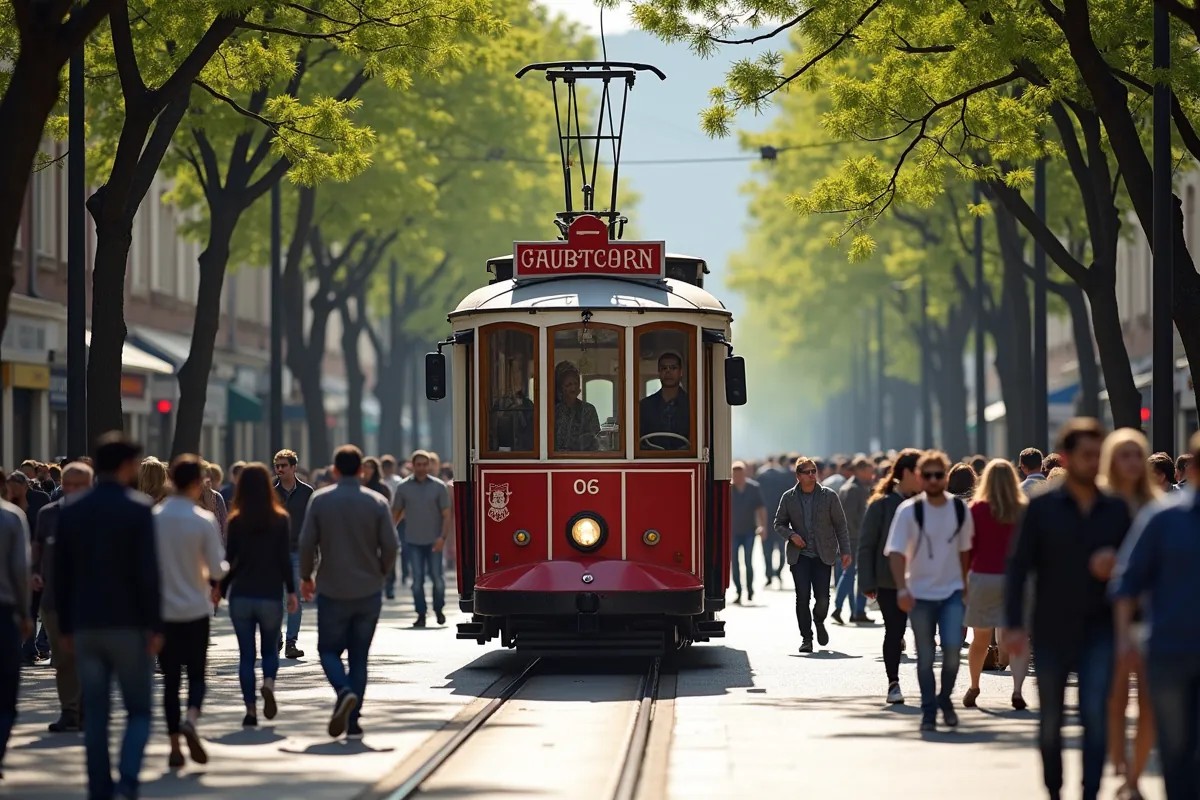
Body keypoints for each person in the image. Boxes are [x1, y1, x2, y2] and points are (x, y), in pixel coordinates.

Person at [1004, 418, 1132, 800]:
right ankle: (1055, 790)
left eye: (1099, 455)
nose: (1094, 462)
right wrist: (1012, 624)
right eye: (1087, 455)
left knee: (1095, 715)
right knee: (1051, 721)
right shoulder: (1042, 508)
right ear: (1068, 457)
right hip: (1051, 629)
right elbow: (1018, 566)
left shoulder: (1115, 509)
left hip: (1101, 628)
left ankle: (1090, 791)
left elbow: (1137, 568)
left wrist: (1118, 566)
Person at [56, 433, 162, 800]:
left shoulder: (71, 511)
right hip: (129, 625)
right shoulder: (138, 510)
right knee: (138, 711)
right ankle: (128, 780)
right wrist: (155, 625)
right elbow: (149, 573)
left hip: (86, 624)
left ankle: (99, 788)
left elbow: (61, 574)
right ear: (126, 466)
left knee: (96, 714)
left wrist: (65, 626)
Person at [1110, 430, 1200, 800]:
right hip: (1169, 649)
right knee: (1177, 746)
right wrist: (1123, 640)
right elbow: (1127, 582)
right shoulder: (1162, 518)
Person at [299, 445, 399, 739]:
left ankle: (343, 692)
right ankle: (353, 721)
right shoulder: (378, 502)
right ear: (361, 470)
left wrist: (306, 576)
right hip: (368, 590)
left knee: (328, 650)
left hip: (331, 588)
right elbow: (392, 546)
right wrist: (381, 572)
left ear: (334, 471)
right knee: (359, 656)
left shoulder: (320, 501)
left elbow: (306, 544)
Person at [884, 450, 974, 731]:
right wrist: (901, 588)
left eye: (939, 474)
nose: (934, 480)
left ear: (946, 477)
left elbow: (965, 551)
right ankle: (928, 709)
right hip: (920, 594)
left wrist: (966, 587)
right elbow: (896, 553)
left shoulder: (960, 510)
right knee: (925, 657)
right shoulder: (908, 511)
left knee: (951, 652)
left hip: (951, 593)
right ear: (920, 477)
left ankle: (945, 699)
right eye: (928, 475)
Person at [153, 455, 228, 769]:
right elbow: (217, 568)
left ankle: (173, 746)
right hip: (196, 609)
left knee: (170, 680)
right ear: (197, 483)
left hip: (164, 610)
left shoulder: (154, 518)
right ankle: (192, 720)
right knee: (196, 675)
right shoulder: (203, 521)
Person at [1099, 429, 1159, 800]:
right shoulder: (1098, 505)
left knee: (1149, 701)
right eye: (1125, 455)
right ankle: (1119, 760)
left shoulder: (1156, 507)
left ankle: (1134, 777)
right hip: (1103, 615)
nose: (1133, 463)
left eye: (1138, 455)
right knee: (1114, 698)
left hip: (1150, 615)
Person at [221, 463, 298, 728]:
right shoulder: (280, 519)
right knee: (268, 651)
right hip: (269, 593)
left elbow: (229, 560)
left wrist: (218, 589)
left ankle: (250, 710)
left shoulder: (236, 520)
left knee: (246, 655)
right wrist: (291, 591)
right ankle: (268, 684)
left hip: (241, 594)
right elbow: (284, 561)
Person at [962, 459, 1029, 711]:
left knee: (979, 639)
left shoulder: (976, 508)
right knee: (1018, 636)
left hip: (983, 576)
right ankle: (1017, 690)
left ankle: (974, 685)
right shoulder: (1023, 509)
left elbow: (968, 548)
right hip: (1015, 579)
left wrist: (964, 580)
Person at [32, 462, 92, 733]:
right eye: (70, 484)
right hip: (55, 601)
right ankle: (70, 710)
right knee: (64, 660)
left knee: (89, 659)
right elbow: (38, 548)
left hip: (91, 602)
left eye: (81, 485)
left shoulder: (98, 515)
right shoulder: (49, 514)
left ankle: (88, 708)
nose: (74, 490)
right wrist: (34, 573)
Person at [859, 449, 922, 704]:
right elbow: (867, 544)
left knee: (925, 634)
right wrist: (867, 582)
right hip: (889, 581)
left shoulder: (929, 502)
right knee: (894, 632)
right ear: (906, 473)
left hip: (925, 580)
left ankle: (930, 687)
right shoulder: (881, 505)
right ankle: (893, 682)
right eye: (920, 473)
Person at [773, 457, 852, 653]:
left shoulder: (829, 496)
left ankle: (819, 620)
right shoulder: (789, 497)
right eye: (807, 472)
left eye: (813, 471)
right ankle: (806, 638)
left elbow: (840, 525)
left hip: (823, 554)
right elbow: (778, 523)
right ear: (798, 476)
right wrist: (792, 536)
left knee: (823, 598)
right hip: (799, 556)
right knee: (802, 597)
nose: (812, 475)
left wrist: (845, 551)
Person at [392, 450, 451, 627]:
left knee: (437, 579)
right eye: (418, 464)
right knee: (417, 581)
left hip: (434, 540)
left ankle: (439, 609)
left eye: (425, 464)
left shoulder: (439, 486)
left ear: (430, 466)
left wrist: (443, 537)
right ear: (412, 465)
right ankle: (421, 614)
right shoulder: (403, 487)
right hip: (413, 540)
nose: (422, 468)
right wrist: (390, 535)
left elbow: (446, 515)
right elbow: (396, 513)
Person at [0, 468, 31, 779]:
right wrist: (25, 614)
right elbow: (20, 571)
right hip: (4, 610)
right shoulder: (10, 518)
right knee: (6, 689)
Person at [274, 449, 314, 659]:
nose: (279, 469)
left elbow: (314, 524)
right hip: (274, 553)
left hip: (299, 551)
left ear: (293, 467)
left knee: (294, 597)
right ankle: (276, 638)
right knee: (277, 597)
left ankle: (291, 642)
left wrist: (314, 552)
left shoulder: (308, 493)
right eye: (277, 466)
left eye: (283, 465)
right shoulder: (270, 492)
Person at [9, 470, 50, 664]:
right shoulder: (10, 507)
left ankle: (32, 647)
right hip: (25, 561)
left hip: (37, 561)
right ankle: (29, 647)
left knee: (37, 606)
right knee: (30, 607)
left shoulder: (39, 499)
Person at [833, 456, 875, 624]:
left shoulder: (853, 487)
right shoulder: (853, 489)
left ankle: (856, 610)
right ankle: (840, 607)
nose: (871, 475)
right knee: (853, 573)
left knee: (852, 573)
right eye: (869, 471)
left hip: (852, 536)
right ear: (860, 470)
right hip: (854, 537)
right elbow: (848, 517)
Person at [729, 462, 765, 605]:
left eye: (739, 474)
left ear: (744, 474)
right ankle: (738, 591)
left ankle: (750, 590)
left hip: (749, 530)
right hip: (733, 532)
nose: (737, 477)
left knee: (748, 562)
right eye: (735, 475)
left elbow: (761, 508)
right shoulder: (729, 489)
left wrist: (763, 527)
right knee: (735, 564)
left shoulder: (753, 488)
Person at [639, 352, 690, 450]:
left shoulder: (692, 405)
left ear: (681, 372)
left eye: (673, 368)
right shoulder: (645, 406)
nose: (668, 372)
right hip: (652, 461)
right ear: (659, 372)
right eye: (664, 368)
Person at [756, 454, 794, 589]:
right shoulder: (783, 476)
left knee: (767, 550)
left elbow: (757, 500)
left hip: (766, 517)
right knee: (781, 549)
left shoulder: (761, 475)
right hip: (780, 516)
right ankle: (778, 572)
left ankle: (769, 574)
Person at [553, 361, 601, 452]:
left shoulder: (589, 409)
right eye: (568, 385)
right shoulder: (555, 411)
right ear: (560, 388)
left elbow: (595, 439)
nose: (573, 388)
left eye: (576, 384)